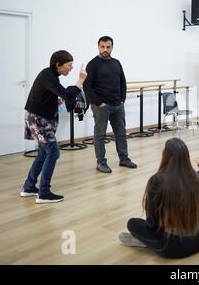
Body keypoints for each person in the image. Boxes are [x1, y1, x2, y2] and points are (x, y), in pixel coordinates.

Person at [119, 138, 199, 258]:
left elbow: (152, 223)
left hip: (173, 246)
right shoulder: (194, 177)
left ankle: (146, 242)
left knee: (132, 223)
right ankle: (149, 242)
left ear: (165, 155)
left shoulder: (157, 180)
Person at [21, 50, 87, 203]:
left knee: (44, 153)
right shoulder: (48, 76)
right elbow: (68, 95)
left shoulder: (51, 76)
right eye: (69, 65)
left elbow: (61, 93)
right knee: (53, 152)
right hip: (38, 118)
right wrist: (80, 80)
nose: (70, 68)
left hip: (37, 116)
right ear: (58, 65)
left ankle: (29, 186)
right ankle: (43, 193)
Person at [83, 36, 137, 173]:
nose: (105, 49)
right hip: (101, 106)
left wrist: (122, 99)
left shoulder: (116, 63)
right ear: (98, 47)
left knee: (121, 133)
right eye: (102, 47)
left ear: (112, 47)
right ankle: (101, 162)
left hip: (117, 105)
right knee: (100, 135)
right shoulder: (93, 64)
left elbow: (123, 82)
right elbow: (87, 87)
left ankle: (124, 158)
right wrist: (98, 103)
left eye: (108, 47)